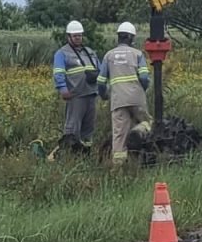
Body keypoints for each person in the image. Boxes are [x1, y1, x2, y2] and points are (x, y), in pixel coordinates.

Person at [97, 21, 151, 163]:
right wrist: (141, 90)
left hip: (118, 101)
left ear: (118, 37)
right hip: (137, 98)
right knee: (147, 122)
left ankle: (118, 168)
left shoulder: (108, 56)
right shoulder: (137, 54)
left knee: (119, 136)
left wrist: (104, 95)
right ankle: (137, 132)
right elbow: (144, 77)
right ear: (131, 38)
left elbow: (100, 81)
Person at [52, 20, 101, 152]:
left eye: (80, 35)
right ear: (69, 37)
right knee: (72, 128)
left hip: (91, 94)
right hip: (75, 96)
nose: (78, 38)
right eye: (75, 35)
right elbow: (58, 72)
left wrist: (103, 88)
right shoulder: (62, 53)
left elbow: (100, 70)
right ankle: (69, 153)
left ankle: (85, 153)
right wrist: (63, 89)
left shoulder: (89, 52)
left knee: (88, 128)